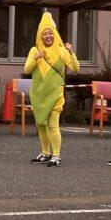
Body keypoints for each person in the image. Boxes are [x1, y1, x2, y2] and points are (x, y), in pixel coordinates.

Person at [23, 13, 79, 165]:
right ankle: (45, 153)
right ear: (40, 35)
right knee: (41, 124)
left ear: (54, 34)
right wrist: (36, 58)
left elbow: (75, 67)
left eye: (50, 33)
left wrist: (71, 52)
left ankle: (56, 156)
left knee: (53, 126)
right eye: (44, 34)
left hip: (55, 95)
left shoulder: (61, 51)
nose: (48, 36)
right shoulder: (34, 50)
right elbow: (27, 70)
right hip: (38, 95)